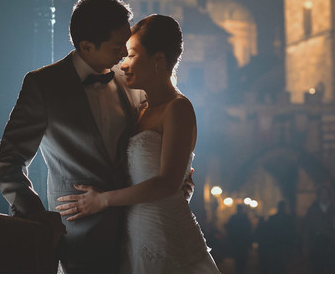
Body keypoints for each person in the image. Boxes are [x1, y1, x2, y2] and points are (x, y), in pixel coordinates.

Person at [0, 0, 146, 273]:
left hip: (140, 231)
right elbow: (8, 163)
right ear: (87, 46)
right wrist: (38, 217)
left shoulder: (131, 78)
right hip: (80, 239)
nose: (125, 54)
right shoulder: (43, 85)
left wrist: (176, 175)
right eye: (117, 47)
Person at [54, 14, 219, 273]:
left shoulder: (178, 108)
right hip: (133, 232)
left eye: (131, 55)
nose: (123, 65)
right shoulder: (139, 108)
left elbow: (166, 182)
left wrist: (102, 200)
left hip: (165, 232)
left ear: (158, 60)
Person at [303, 186, 335, 273]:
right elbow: (307, 228)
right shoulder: (313, 210)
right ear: (319, 196)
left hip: (330, 244)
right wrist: (306, 246)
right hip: (316, 244)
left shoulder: (334, 209)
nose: (324, 196)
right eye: (322, 194)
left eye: (326, 194)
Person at [226, 204, 254, 273]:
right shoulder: (244, 217)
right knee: (242, 258)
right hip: (242, 241)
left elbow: (229, 228)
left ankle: (239, 270)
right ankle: (241, 270)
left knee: (239, 258)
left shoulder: (234, 217)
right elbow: (249, 229)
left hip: (238, 241)